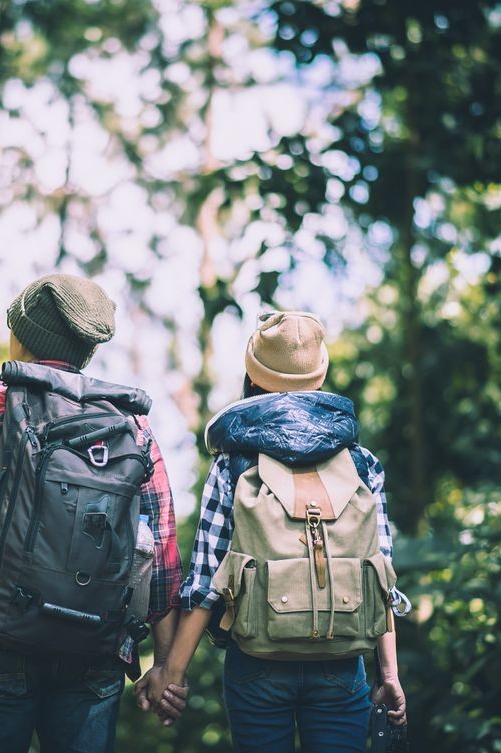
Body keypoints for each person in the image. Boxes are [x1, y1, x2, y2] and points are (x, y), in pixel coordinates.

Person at [0, 274, 186, 753]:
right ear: (87, 351)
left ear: (20, 335)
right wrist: (167, 667)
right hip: (95, 647)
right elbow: (160, 559)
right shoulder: (132, 427)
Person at [140, 311, 409, 752]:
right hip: (341, 663)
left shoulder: (233, 463)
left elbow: (208, 582)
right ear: (321, 376)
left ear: (253, 377)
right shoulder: (362, 463)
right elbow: (380, 576)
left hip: (256, 661)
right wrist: (390, 675)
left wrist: (172, 674)